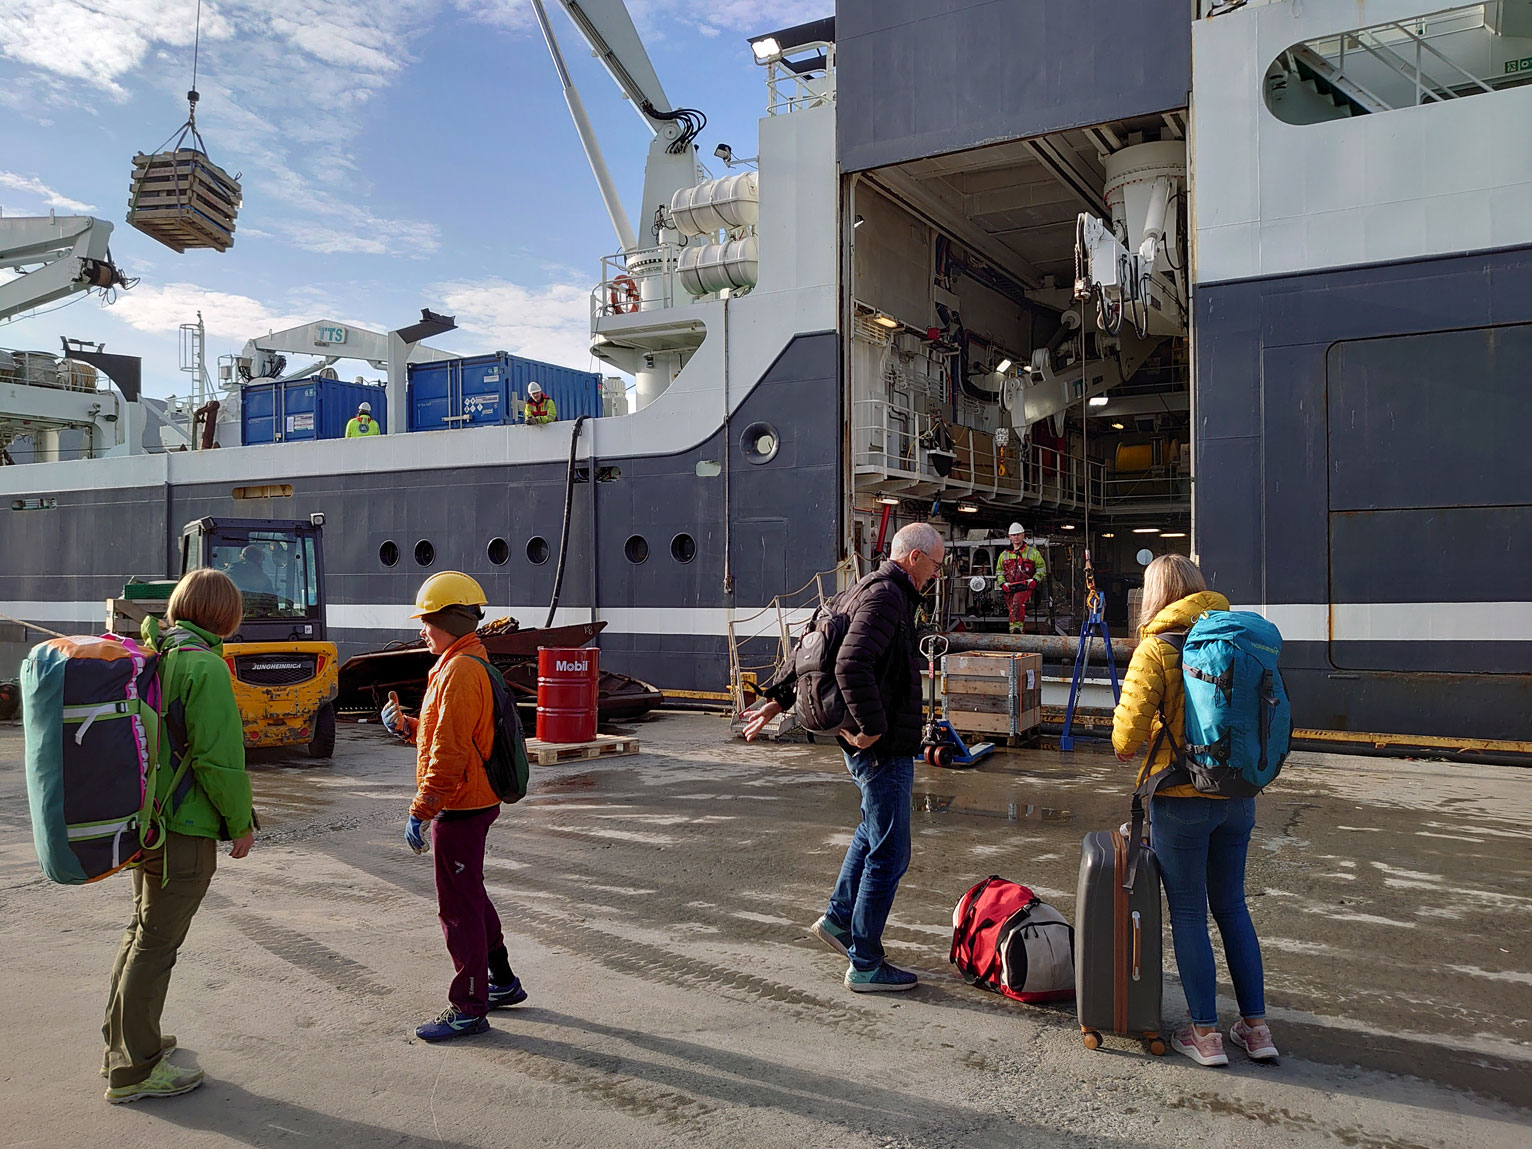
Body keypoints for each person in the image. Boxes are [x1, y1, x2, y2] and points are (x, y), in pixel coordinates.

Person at [744, 522, 944, 993]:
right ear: (914, 558)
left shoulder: (863, 589)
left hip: (873, 744)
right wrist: (872, 727)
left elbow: (813, 644)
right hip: (883, 747)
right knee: (890, 852)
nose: (935, 575)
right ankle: (867, 962)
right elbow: (848, 662)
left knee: (871, 832)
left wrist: (778, 696)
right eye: (934, 565)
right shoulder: (887, 597)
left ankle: (837, 920)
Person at [1111, 554, 1278, 1067]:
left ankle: (1204, 1034)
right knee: (1232, 907)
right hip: (1237, 796)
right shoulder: (1236, 638)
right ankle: (1256, 1029)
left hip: (1181, 802)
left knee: (1188, 913)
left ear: (1155, 593)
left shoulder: (1156, 648)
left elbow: (1125, 740)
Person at [103, 569, 256, 1104]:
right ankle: (136, 1070)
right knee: (157, 943)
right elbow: (219, 760)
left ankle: (123, 1045)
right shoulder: (205, 667)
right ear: (226, 616)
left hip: (147, 824)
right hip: (185, 831)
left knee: (140, 931)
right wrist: (241, 823)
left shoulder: (156, 654)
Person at [381, 571, 527, 1041]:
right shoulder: (460, 663)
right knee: (472, 895)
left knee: (457, 909)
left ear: (448, 619)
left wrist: (421, 810)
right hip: (472, 798)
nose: (422, 629)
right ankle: (501, 981)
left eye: (427, 620)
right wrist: (407, 725)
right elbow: (446, 734)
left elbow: (448, 754)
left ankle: (468, 1007)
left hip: (461, 806)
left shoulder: (459, 671)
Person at [994, 523, 1046, 634]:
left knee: (1017, 603)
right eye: (1013, 535)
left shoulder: (1033, 553)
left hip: (1025, 585)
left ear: (1023, 535)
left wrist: (1035, 580)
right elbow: (999, 572)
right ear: (1010, 537)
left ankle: (1016, 630)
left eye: (1018, 534)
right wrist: (1002, 583)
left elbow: (1041, 569)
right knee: (1011, 607)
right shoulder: (1004, 555)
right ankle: (1014, 632)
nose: (1016, 537)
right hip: (1010, 587)